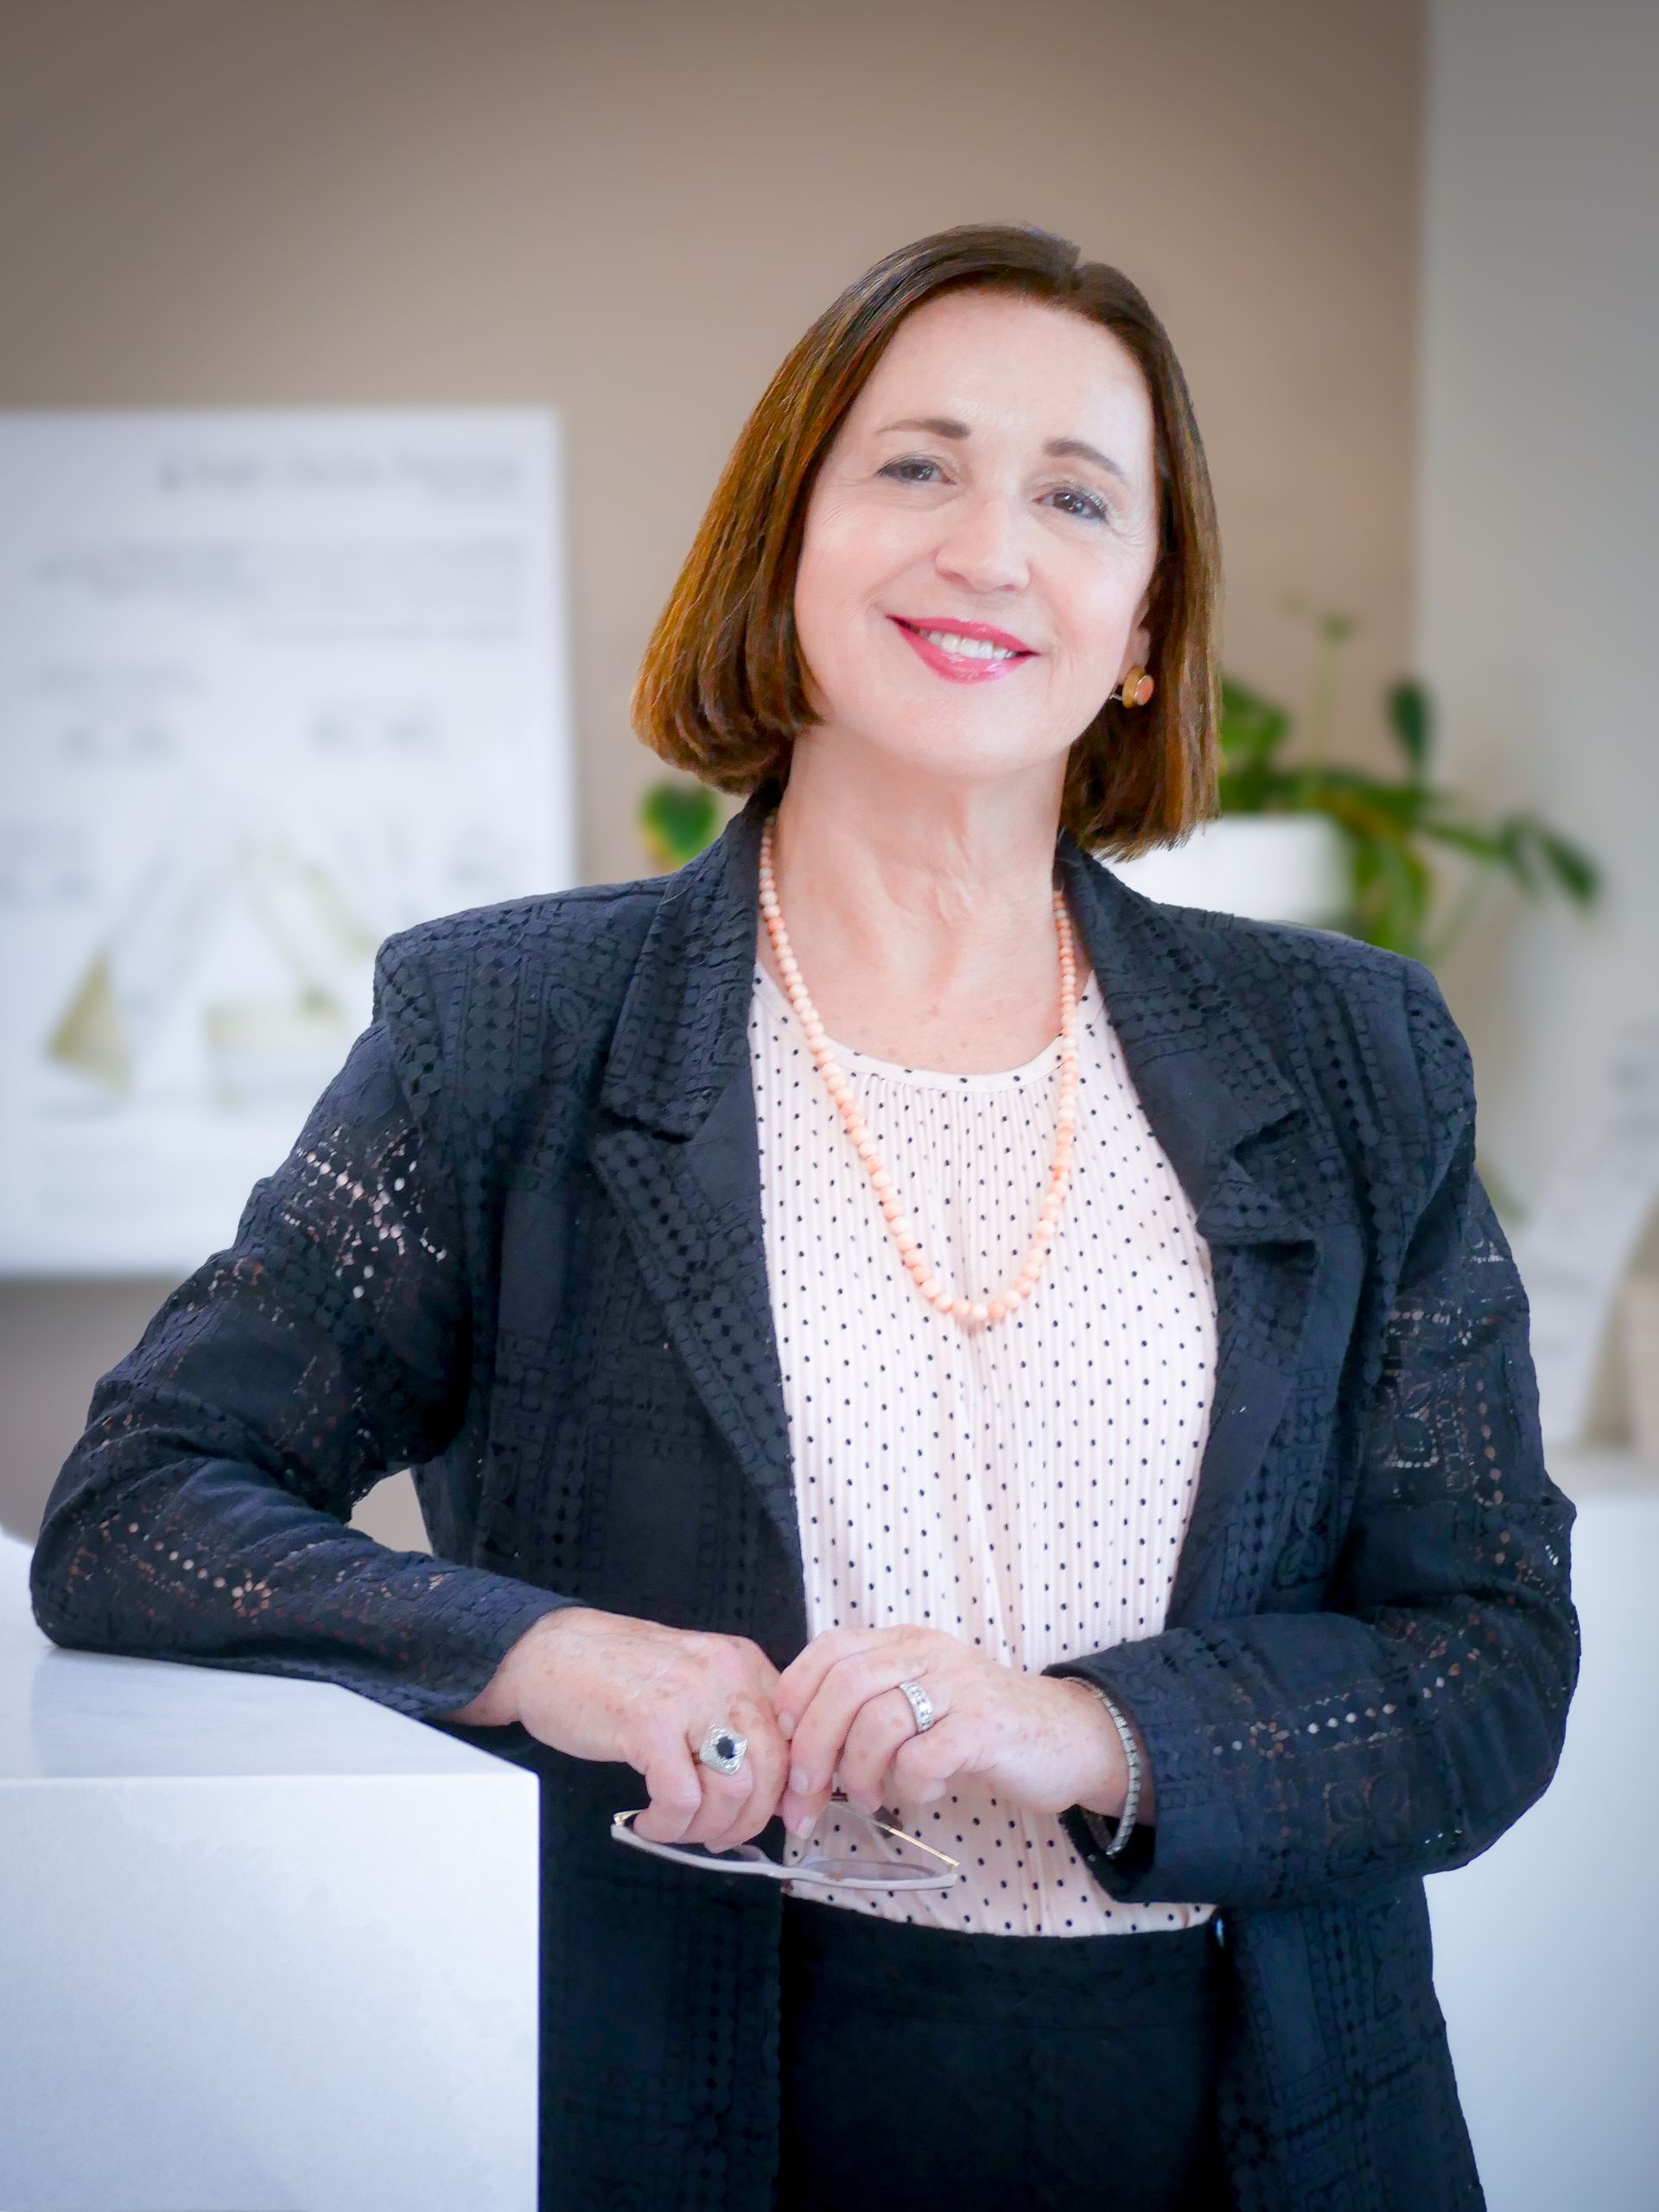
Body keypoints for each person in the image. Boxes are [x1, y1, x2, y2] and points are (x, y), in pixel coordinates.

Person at [30, 224, 1580, 2212]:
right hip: (694, 2097)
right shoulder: (506, 1030)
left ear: (1140, 626)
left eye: (1076, 495)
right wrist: (548, 1650)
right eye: (916, 465)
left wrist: (1092, 1728)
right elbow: (141, 1498)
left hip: (1275, 2118)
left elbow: (1487, 1657)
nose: (990, 547)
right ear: (788, 539)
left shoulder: (1360, 1057)